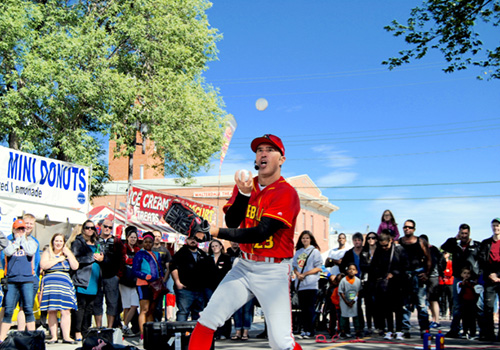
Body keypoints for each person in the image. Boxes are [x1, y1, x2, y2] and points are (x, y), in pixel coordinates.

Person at [188, 134, 302, 350]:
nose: (263, 153)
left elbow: (260, 233)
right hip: (244, 266)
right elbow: (232, 220)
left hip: (273, 270)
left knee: (281, 342)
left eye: (270, 149)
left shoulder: (286, 193)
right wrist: (242, 194)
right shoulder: (247, 185)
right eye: (259, 150)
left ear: (281, 159)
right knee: (207, 320)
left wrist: (214, 232)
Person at [441, 223, 481, 338]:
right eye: (462, 233)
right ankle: (455, 329)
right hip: (458, 278)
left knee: (474, 306)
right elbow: (444, 247)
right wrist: (455, 238)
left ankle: (476, 331)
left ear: (469, 233)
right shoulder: (455, 245)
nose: (464, 235)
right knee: (457, 305)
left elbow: (481, 260)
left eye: (466, 233)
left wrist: (477, 276)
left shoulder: (476, 245)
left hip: (473, 279)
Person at [0, 219, 38, 341]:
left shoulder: (31, 242)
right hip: (12, 281)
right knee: (8, 310)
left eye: (23, 229)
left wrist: (22, 240)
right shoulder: (9, 242)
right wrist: (17, 241)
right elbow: (8, 251)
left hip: (27, 280)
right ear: (14, 230)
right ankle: (1, 338)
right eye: (18, 229)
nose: (21, 231)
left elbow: (30, 251)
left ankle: (31, 338)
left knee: (28, 309)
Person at [39, 233, 79, 344]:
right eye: (56, 241)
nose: (58, 243)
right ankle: (54, 337)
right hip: (50, 285)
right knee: (52, 310)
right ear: (52, 242)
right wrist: (58, 259)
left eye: (60, 241)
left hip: (64, 285)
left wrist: (68, 254)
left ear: (64, 243)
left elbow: (75, 266)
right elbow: (44, 265)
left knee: (66, 311)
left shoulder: (67, 254)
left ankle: (66, 337)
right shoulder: (47, 253)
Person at [371, 230, 409, 340]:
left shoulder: (400, 250)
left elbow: (406, 266)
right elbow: (374, 266)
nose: (384, 248)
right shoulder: (379, 251)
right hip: (384, 284)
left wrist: (395, 273)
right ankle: (390, 330)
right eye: (381, 246)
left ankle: (399, 330)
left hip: (398, 283)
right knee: (386, 308)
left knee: (398, 308)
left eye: (386, 245)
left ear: (391, 240)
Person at [70, 220, 104, 341]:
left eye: (92, 228)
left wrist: (101, 258)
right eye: (87, 227)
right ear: (83, 229)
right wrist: (92, 257)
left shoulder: (97, 243)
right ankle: (77, 331)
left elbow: (102, 256)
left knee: (90, 307)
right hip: (82, 278)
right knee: (81, 306)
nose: (90, 230)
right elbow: (75, 259)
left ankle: (85, 330)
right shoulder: (78, 243)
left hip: (95, 280)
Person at [398, 219, 431, 338]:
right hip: (405, 276)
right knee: (405, 305)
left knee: (421, 305)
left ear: (414, 229)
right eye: (405, 227)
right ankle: (405, 329)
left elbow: (428, 258)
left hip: (418, 275)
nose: (407, 229)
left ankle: (424, 329)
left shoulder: (420, 241)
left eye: (410, 227)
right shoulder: (399, 242)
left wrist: (426, 274)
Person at [132, 231, 165, 339]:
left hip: (155, 285)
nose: (148, 244)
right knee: (144, 309)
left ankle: (150, 334)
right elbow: (135, 270)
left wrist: (162, 279)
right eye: (145, 242)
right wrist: (145, 276)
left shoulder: (156, 254)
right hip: (143, 284)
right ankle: (142, 334)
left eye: (150, 242)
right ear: (142, 242)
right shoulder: (139, 254)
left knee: (151, 310)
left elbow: (160, 268)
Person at [170, 236, 209, 322]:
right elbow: (173, 267)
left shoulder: (202, 253)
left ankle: (196, 335)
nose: (193, 241)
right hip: (185, 289)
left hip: (199, 290)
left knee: (198, 313)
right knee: (183, 313)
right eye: (190, 239)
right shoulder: (180, 253)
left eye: (195, 239)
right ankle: (181, 334)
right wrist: (177, 282)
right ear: (186, 240)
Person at [292, 230, 323, 339]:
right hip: (300, 284)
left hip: (311, 283)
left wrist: (305, 273)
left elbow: (319, 267)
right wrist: (298, 274)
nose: (305, 240)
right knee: (303, 308)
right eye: (303, 238)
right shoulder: (298, 252)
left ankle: (310, 330)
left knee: (310, 308)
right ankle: (304, 329)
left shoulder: (315, 251)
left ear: (311, 239)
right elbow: (294, 266)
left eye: (307, 238)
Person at [94, 219, 121, 328]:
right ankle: (98, 327)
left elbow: (120, 258)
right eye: (105, 226)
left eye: (110, 227)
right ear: (101, 226)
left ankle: (109, 327)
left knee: (112, 303)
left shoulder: (116, 241)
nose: (107, 229)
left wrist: (118, 275)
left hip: (111, 275)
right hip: (97, 275)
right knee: (97, 302)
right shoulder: (95, 239)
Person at [478, 217, 500, 341]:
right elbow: (482, 261)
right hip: (490, 277)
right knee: (488, 307)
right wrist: (490, 274)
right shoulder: (486, 243)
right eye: (494, 225)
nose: (496, 228)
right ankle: (489, 333)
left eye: (498, 225)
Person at [339, 232, 366, 332]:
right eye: (355, 240)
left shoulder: (365, 252)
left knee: (359, 305)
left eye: (359, 240)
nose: (357, 242)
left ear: (362, 241)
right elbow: (342, 266)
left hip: (363, 280)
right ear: (353, 241)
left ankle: (360, 328)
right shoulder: (349, 253)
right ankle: (345, 329)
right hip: (351, 282)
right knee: (349, 304)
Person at [206, 240, 232, 340]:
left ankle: (225, 332)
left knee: (224, 310)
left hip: (223, 287)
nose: (215, 248)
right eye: (212, 246)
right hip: (210, 287)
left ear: (221, 246)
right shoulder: (207, 258)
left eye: (216, 246)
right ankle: (214, 332)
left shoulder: (227, 258)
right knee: (212, 310)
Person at [118, 226, 141, 337]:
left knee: (135, 305)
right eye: (131, 237)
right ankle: (126, 328)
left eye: (134, 237)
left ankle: (125, 326)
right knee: (126, 306)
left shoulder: (138, 250)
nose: (133, 239)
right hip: (124, 281)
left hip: (135, 281)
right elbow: (125, 260)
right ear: (127, 238)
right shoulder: (123, 248)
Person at [420, 234, 445, 329]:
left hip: (433, 276)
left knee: (433, 299)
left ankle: (436, 320)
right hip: (427, 276)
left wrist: (439, 272)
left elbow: (437, 262)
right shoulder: (424, 250)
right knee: (429, 300)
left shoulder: (432, 249)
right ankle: (433, 318)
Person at [359, 232, 378, 333]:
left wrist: (372, 267)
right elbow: (362, 265)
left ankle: (379, 325)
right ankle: (369, 326)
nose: (371, 239)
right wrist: (372, 267)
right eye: (369, 238)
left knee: (377, 304)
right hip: (366, 280)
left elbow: (380, 266)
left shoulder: (380, 251)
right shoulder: (364, 252)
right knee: (368, 304)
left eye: (373, 238)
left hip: (377, 281)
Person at [152, 230, 171, 322]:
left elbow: (168, 267)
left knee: (158, 306)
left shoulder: (165, 251)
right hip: (148, 281)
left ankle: (157, 325)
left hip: (160, 281)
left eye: (158, 236)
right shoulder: (148, 249)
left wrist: (164, 279)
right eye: (155, 236)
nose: (157, 238)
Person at [338, 264, 362, 338]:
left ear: (356, 271)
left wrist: (353, 301)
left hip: (353, 302)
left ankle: (357, 331)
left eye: (353, 269)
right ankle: (343, 331)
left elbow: (358, 292)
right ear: (347, 270)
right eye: (350, 269)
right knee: (344, 317)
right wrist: (346, 301)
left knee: (355, 317)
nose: (351, 271)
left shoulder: (358, 281)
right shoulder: (343, 280)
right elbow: (341, 291)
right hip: (344, 302)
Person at [457, 267, 479, 340]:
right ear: (461, 274)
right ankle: (465, 332)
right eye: (464, 273)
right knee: (465, 318)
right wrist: (463, 284)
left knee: (472, 319)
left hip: (472, 303)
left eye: (468, 273)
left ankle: (473, 333)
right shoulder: (459, 283)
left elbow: (477, 291)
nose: (466, 275)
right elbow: (459, 292)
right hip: (464, 303)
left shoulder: (472, 283)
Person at [438, 252, 453, 320]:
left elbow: (450, 272)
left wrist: (445, 273)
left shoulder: (450, 263)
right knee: (443, 299)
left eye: (446, 253)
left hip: (450, 282)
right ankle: (443, 313)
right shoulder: (440, 263)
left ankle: (452, 313)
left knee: (451, 298)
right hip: (442, 282)